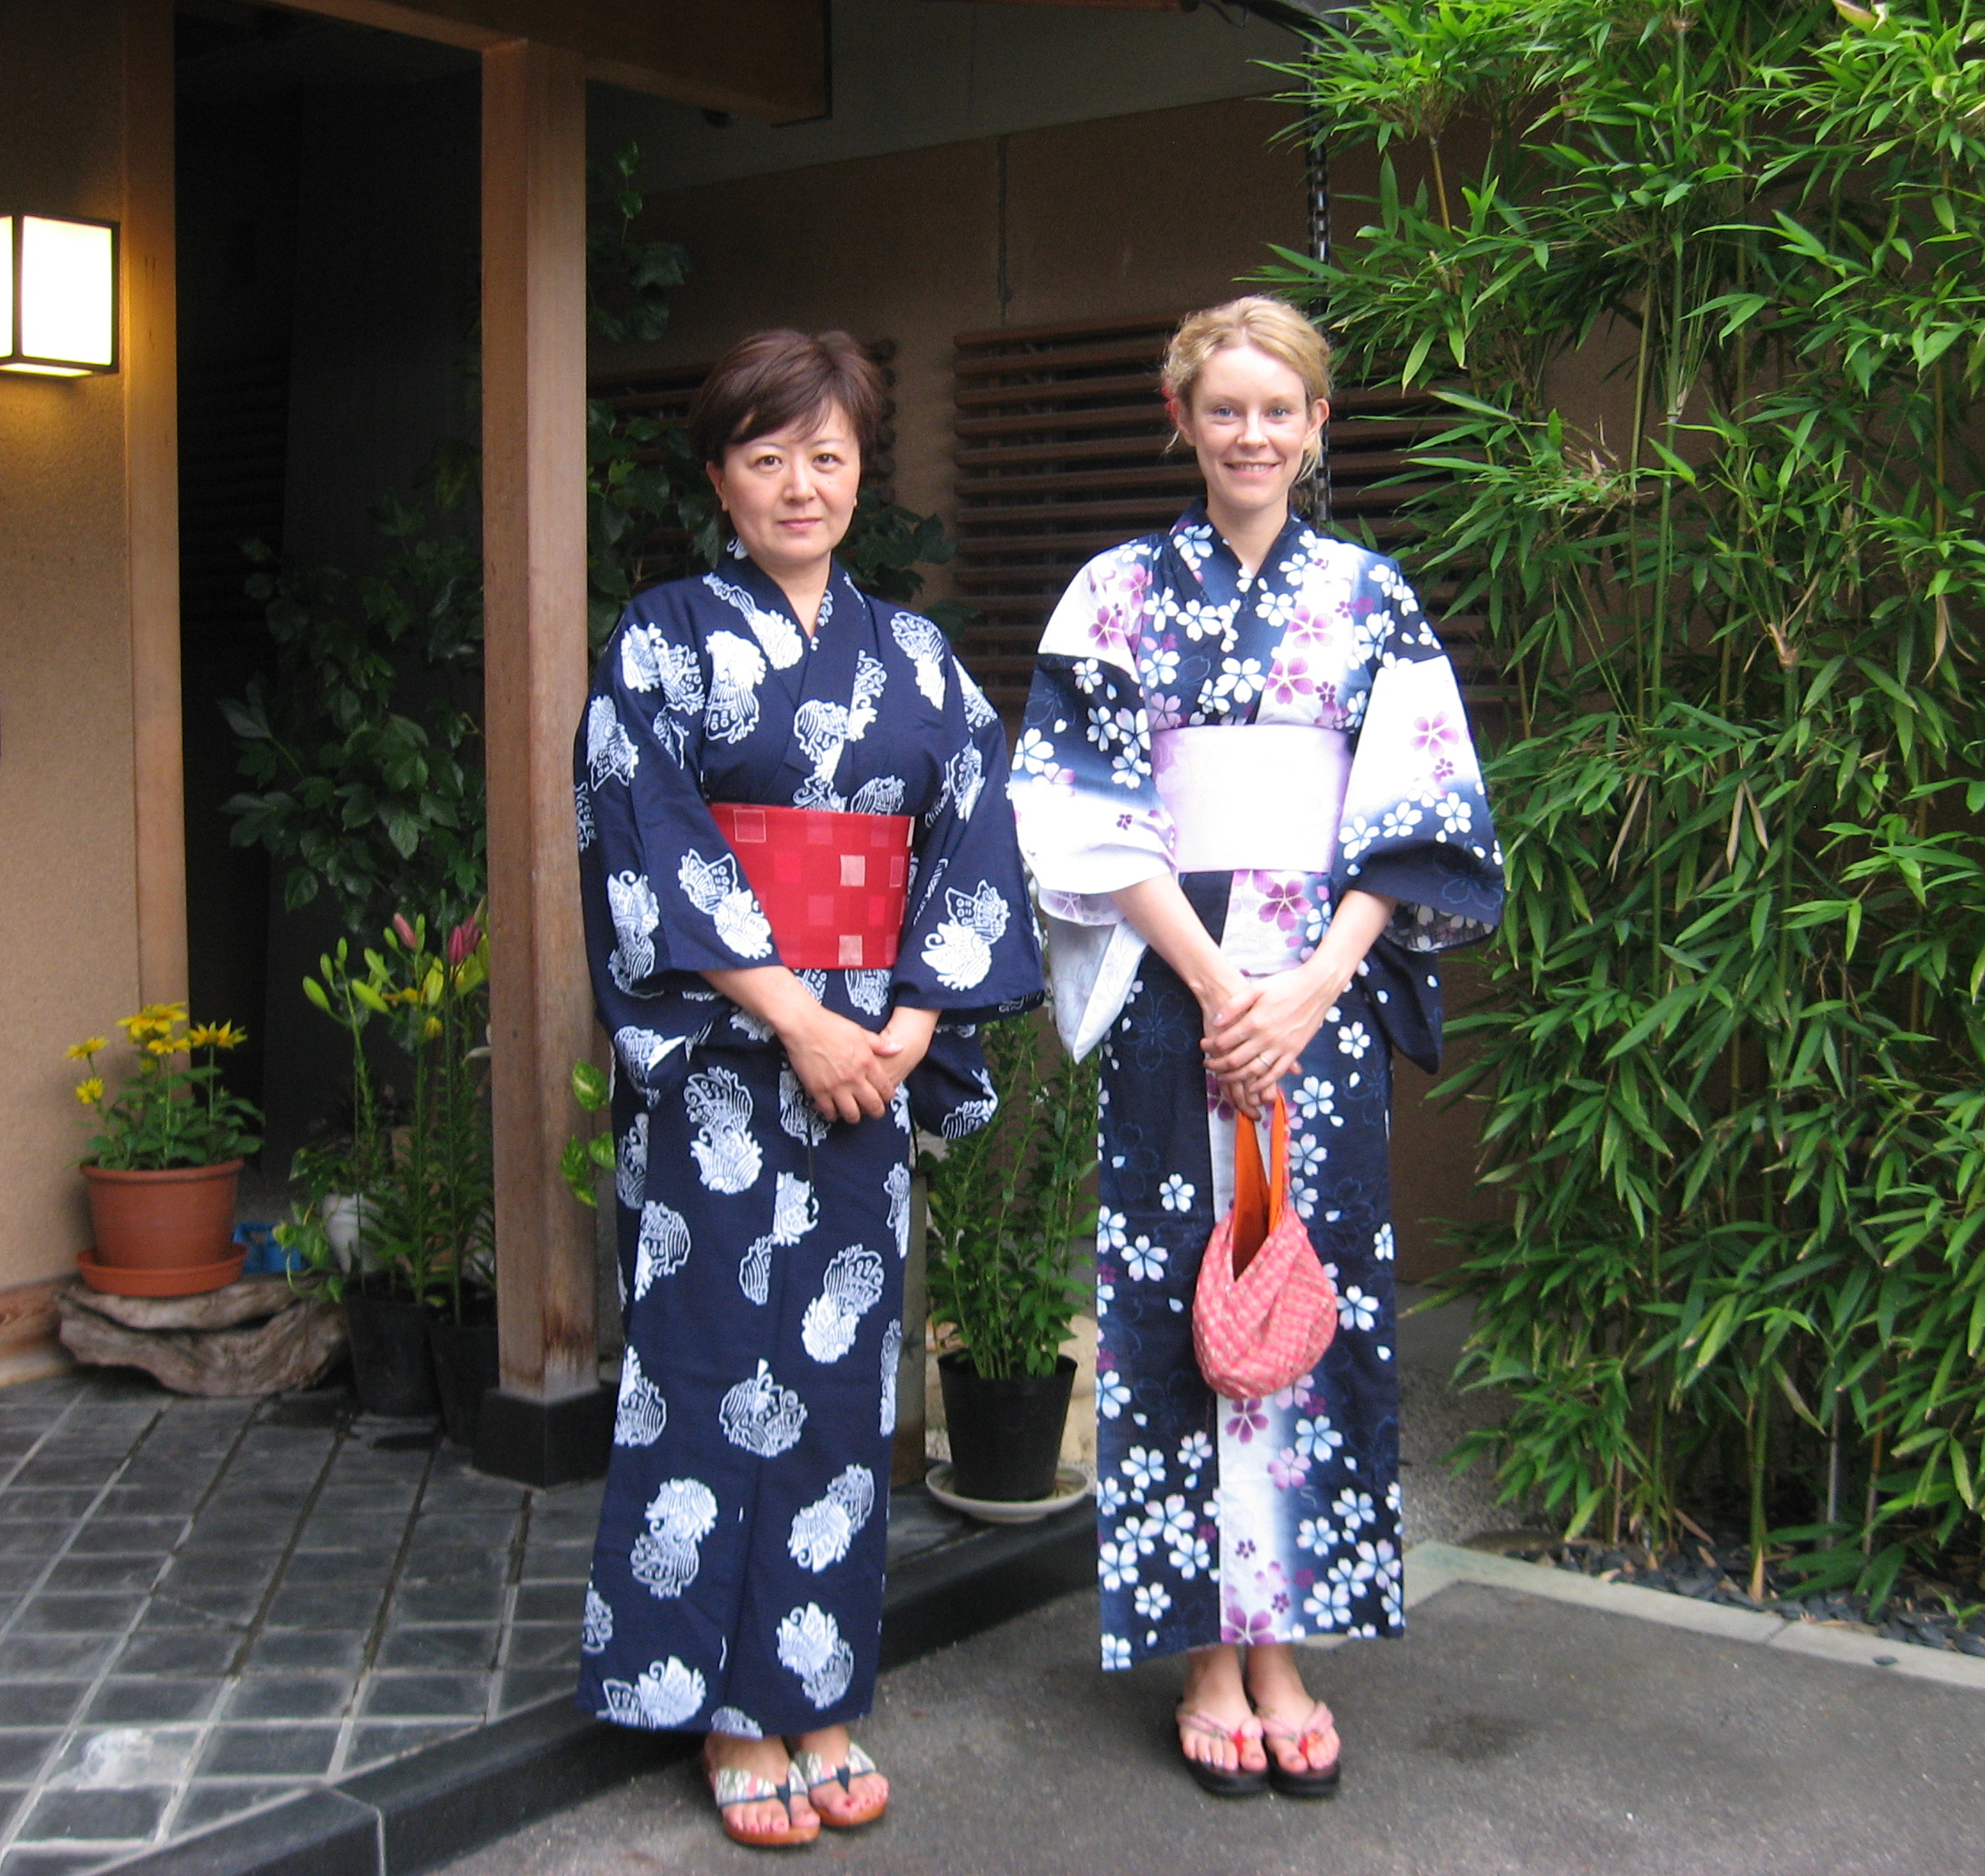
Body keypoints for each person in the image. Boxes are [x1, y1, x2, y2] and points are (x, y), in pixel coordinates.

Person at [1010, 297, 1504, 1798]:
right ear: (1183, 418)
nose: (1251, 435)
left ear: (1315, 425)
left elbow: (1422, 810)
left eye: (1276, 410)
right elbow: (1075, 799)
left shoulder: (1369, 594)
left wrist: (1307, 986)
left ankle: (1277, 1638)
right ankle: (1202, 1655)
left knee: (1307, 1297)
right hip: (1181, 990)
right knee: (1176, 1309)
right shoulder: (1114, 593)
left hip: (1324, 1005)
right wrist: (1224, 982)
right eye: (1222, 409)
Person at [573, 329, 1042, 1848]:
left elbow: (977, 828)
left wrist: (909, 1023)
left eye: (827, 455)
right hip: (728, 1063)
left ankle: (815, 1691)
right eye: (767, 455)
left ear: (859, 473)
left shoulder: (913, 658)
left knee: (841, 1391)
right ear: (720, 474)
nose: (800, 482)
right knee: (706, 1368)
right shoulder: (659, 635)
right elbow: (645, 835)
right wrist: (796, 1017)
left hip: (868, 1071)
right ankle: (718, 1706)